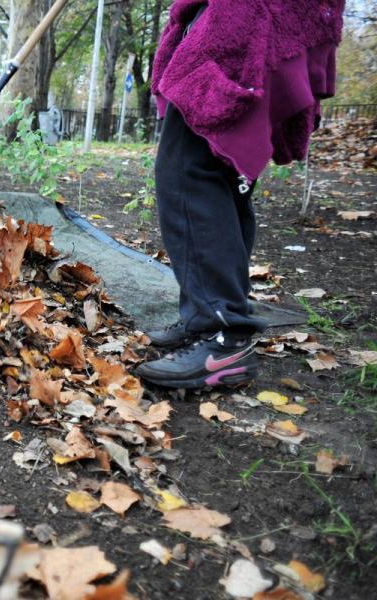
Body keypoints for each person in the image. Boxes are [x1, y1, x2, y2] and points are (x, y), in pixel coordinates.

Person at [135, 0, 344, 389]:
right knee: (220, 166)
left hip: (248, 14)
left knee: (188, 166)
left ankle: (223, 337)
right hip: (266, 14)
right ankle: (209, 320)